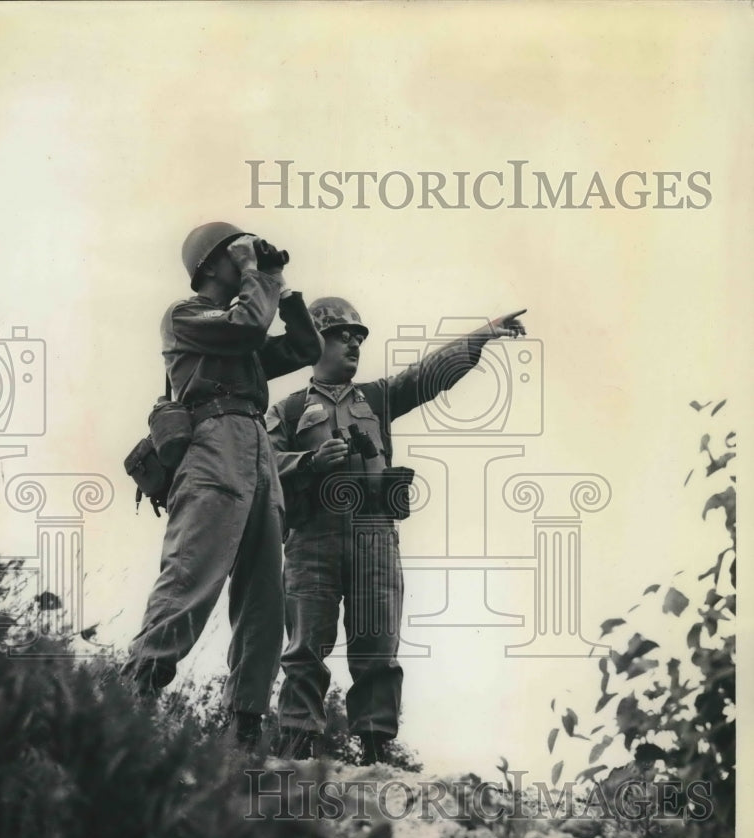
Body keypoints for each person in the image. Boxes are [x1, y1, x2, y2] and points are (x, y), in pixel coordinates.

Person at [266, 296, 526, 764]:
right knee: (305, 646)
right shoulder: (287, 409)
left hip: (374, 533)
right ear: (316, 342)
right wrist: (308, 461)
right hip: (312, 539)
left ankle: (376, 752)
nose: (354, 342)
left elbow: (426, 377)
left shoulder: (378, 398)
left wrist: (483, 333)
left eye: (359, 336)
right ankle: (296, 750)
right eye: (343, 334)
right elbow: (261, 464)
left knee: (378, 648)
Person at [122, 222, 322, 751]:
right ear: (210, 266)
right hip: (213, 444)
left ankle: (244, 724)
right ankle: (135, 694)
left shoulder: (241, 325)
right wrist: (257, 276)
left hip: (256, 447)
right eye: (238, 255)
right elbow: (247, 331)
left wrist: (277, 281)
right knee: (192, 574)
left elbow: (305, 348)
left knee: (265, 598)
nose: (247, 262)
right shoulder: (186, 316)